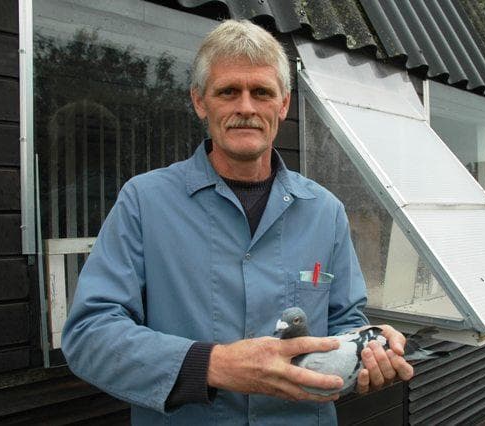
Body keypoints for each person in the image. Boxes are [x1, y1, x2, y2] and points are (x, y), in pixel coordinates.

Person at [62, 19, 413, 425]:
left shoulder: (324, 210)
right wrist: (213, 365)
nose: (246, 107)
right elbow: (89, 334)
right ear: (200, 102)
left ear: (283, 104)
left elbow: (345, 322)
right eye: (228, 91)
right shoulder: (144, 202)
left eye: (261, 92)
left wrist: (369, 349)